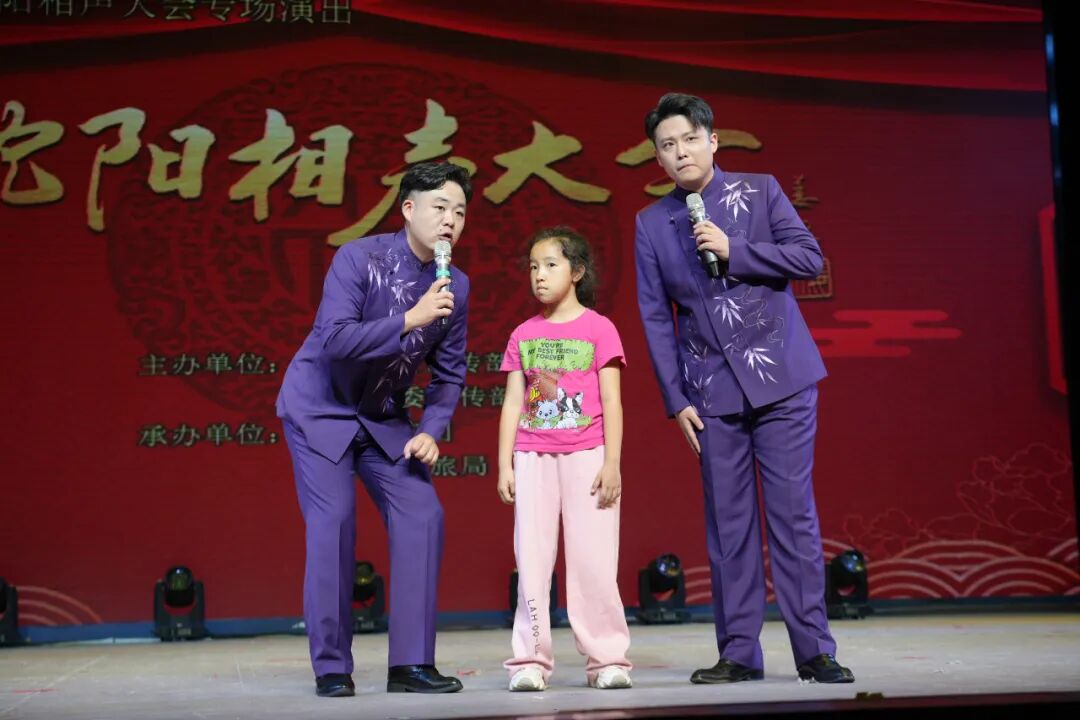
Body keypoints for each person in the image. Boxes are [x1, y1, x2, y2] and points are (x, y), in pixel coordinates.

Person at [634, 93, 854, 684]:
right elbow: (655, 316)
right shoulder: (652, 224)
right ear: (658, 158)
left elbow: (808, 258)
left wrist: (736, 251)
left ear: (712, 141)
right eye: (667, 146)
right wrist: (675, 398)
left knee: (792, 516)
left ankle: (815, 650)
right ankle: (738, 653)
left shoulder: (760, 191)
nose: (680, 152)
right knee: (729, 526)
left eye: (689, 139)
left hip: (782, 378)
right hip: (711, 391)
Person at [276, 161, 472, 696]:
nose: (450, 220)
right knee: (334, 525)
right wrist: (412, 318)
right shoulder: (357, 258)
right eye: (439, 207)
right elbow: (335, 339)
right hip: (320, 410)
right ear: (408, 209)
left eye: (459, 212)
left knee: (422, 514)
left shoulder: (455, 285)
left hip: (382, 417)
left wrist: (431, 428)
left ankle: (411, 664)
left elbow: (450, 372)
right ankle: (332, 667)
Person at [496, 226, 633, 692]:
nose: (539, 275)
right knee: (532, 563)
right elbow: (513, 402)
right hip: (533, 457)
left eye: (551, 265)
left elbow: (612, 401)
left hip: (588, 456)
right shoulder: (523, 334)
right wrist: (505, 464)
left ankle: (607, 659)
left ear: (576, 272)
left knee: (594, 561)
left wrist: (612, 463)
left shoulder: (600, 328)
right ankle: (530, 660)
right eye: (534, 266)